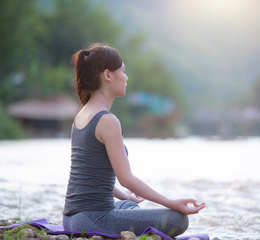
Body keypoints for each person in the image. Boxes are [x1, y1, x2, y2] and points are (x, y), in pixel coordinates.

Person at [63, 43, 205, 237]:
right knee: (177, 219)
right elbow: (126, 178)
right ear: (107, 75)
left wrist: (125, 195)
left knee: (128, 204)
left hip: (71, 219)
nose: (126, 77)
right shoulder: (107, 120)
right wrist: (171, 203)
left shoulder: (82, 115)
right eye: (123, 71)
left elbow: (89, 176)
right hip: (92, 219)